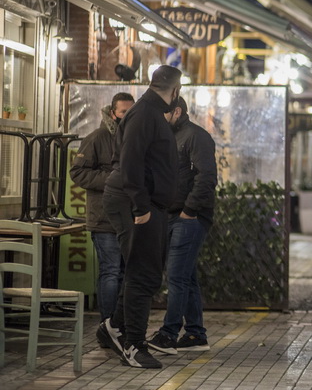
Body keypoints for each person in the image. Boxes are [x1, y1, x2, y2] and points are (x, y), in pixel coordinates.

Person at [96, 65, 181, 369]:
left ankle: (114, 328)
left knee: (144, 271)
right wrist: (141, 206)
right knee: (143, 273)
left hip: (145, 203)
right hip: (135, 203)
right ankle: (134, 344)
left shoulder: (150, 112)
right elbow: (130, 160)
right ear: (176, 90)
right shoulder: (145, 113)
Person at [147, 97, 217, 355]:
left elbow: (207, 176)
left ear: (177, 111)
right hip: (172, 214)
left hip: (189, 217)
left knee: (176, 276)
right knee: (186, 276)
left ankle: (169, 334)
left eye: (163, 113)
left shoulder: (196, 136)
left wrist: (190, 210)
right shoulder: (169, 136)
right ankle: (196, 334)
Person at [70, 92, 135, 326]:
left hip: (129, 219)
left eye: (131, 112)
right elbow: (77, 172)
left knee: (126, 273)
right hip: (104, 219)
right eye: (124, 112)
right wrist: (112, 180)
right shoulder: (97, 138)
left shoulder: (136, 138)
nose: (128, 116)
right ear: (112, 113)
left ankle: (121, 323)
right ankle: (107, 325)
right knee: (111, 271)